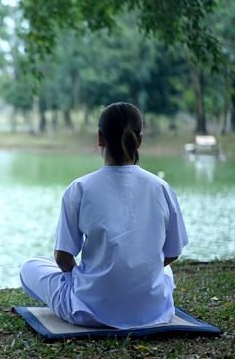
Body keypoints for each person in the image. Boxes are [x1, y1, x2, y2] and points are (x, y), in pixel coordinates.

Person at [19, 102, 189, 329]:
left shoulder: (80, 188)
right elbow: (172, 253)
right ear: (139, 141)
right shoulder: (162, 188)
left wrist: (85, 279)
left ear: (100, 138)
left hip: (88, 311)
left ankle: (89, 295)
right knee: (164, 270)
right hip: (153, 311)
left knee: (30, 267)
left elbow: (63, 258)